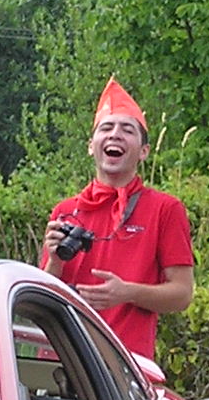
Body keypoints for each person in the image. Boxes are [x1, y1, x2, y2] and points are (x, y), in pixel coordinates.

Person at [38, 78, 194, 364]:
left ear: (144, 152)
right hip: (61, 359)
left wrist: (127, 293)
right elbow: (40, 298)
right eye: (106, 128)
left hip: (126, 363)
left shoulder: (165, 209)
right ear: (91, 146)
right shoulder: (65, 211)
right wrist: (55, 262)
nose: (115, 135)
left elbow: (182, 294)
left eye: (127, 129)